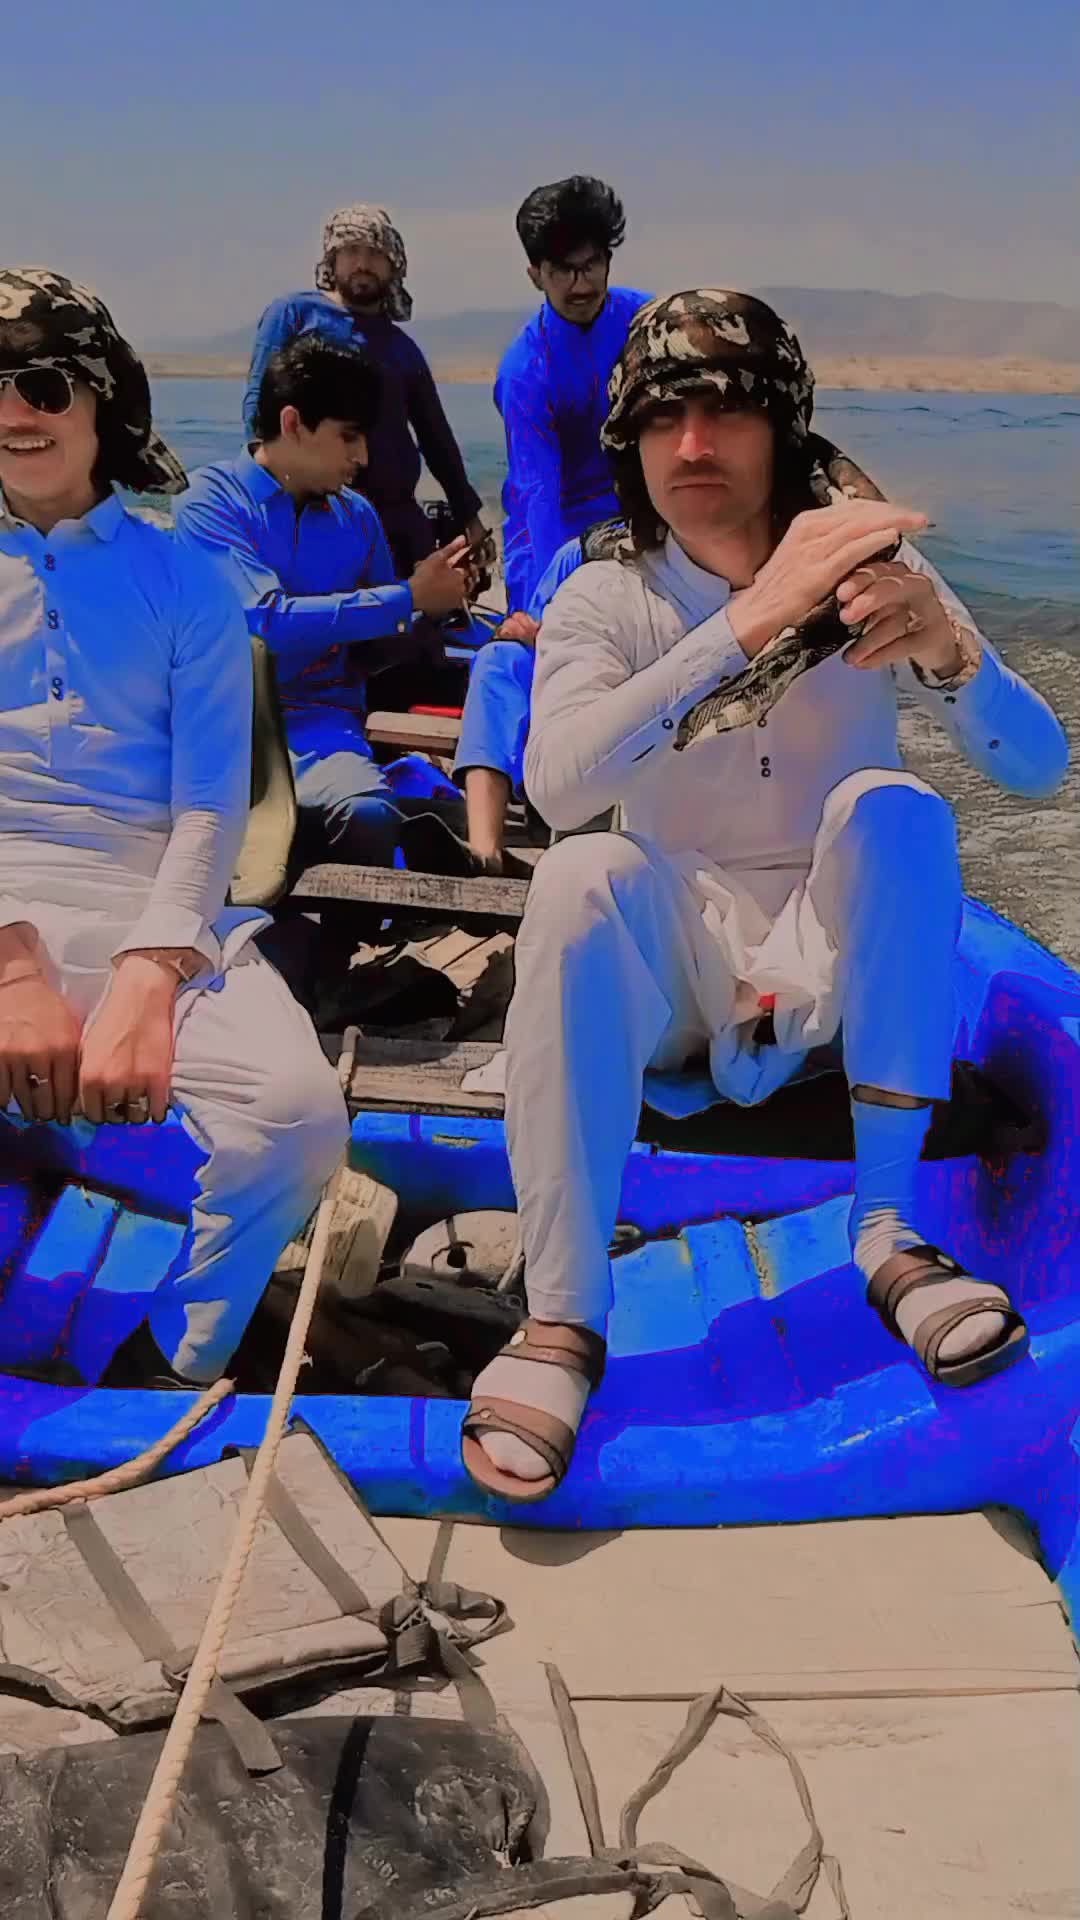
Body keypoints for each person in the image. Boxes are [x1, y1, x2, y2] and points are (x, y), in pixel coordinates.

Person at [461, 288, 1069, 1503]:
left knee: (896, 809)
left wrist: (950, 651)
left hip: (836, 974)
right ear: (629, 440)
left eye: (727, 412)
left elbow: (1040, 767)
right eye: (663, 416)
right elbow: (561, 785)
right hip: (677, 972)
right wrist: (752, 623)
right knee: (581, 875)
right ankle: (565, 1314)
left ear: (783, 426)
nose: (693, 444)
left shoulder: (872, 571)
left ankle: (890, 1235)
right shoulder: (604, 595)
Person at [0, 268, 346, 1389]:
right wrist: (13, 971)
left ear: (101, 401)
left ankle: (171, 1363)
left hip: (152, 904)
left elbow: (209, 806)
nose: (13, 414)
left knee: (296, 1118)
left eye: (42, 386)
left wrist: (149, 976)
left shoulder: (187, 584)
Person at [177, 334, 473, 908]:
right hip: (225, 728)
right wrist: (406, 596)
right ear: (293, 423)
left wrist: (433, 610)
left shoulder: (357, 516)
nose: (362, 458)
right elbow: (262, 622)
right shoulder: (209, 501)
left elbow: (377, 647)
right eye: (349, 436)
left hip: (324, 727)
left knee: (368, 817)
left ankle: (343, 942)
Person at [243, 204, 490, 574]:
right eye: (351, 251)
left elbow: (436, 439)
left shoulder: (403, 350)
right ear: (333, 259)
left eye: (375, 254)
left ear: (393, 266)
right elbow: (258, 404)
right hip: (314, 512)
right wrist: (266, 492)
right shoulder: (294, 315)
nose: (362, 264)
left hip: (396, 523)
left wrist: (469, 516)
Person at [495, 176, 650, 617]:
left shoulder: (648, 322)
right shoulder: (524, 372)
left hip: (646, 518)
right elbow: (537, 491)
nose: (580, 285)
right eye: (563, 270)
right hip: (557, 533)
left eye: (591, 265)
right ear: (535, 275)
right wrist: (551, 603)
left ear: (608, 260)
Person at [452, 518, 626, 868]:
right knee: (498, 661)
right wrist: (522, 631)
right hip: (565, 688)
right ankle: (484, 854)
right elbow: (531, 627)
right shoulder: (581, 553)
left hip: (637, 698)